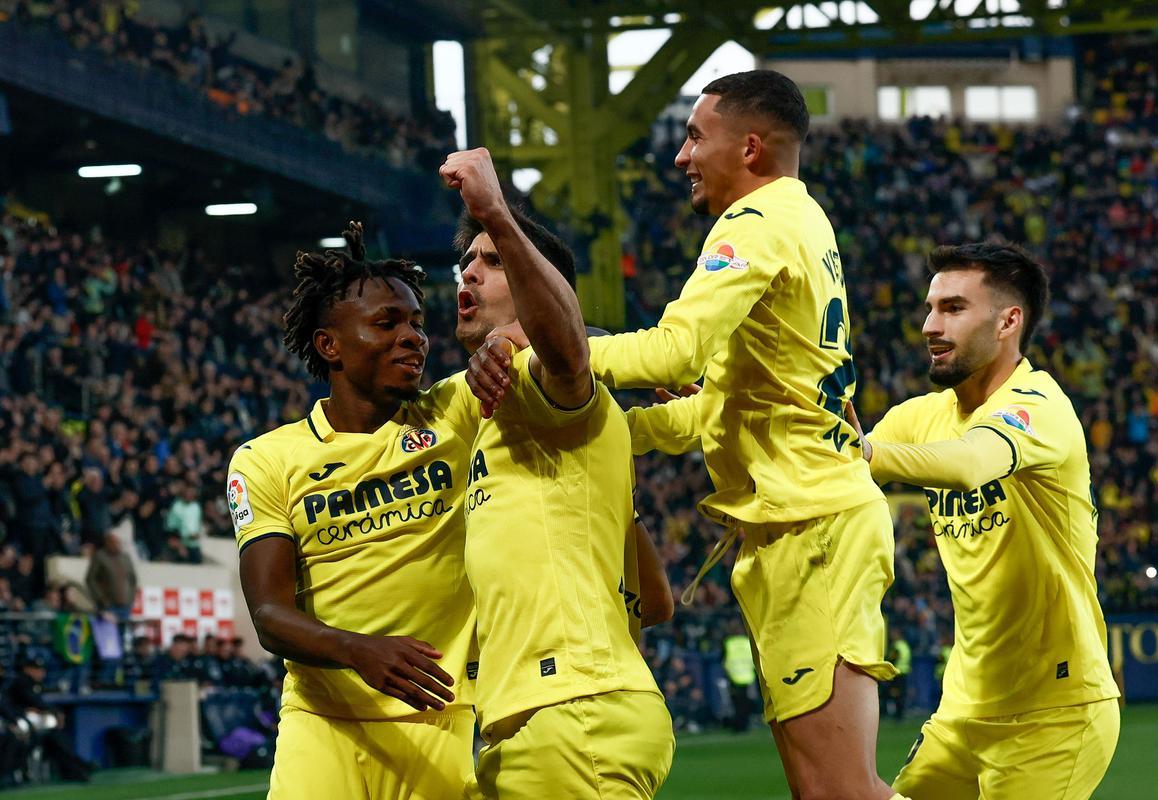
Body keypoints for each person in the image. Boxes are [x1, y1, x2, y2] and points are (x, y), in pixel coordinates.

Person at [467, 69, 900, 800]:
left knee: (843, 793)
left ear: (752, 147)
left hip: (814, 531)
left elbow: (674, 353)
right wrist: (603, 428)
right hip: (801, 530)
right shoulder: (804, 222)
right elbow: (707, 410)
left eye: (696, 136)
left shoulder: (755, 225)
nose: (681, 155)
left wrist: (546, 353)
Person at [441, 150, 675, 798]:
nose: (469, 274)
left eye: (492, 262)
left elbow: (568, 356)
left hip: (572, 712)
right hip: (537, 720)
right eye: (465, 263)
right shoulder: (480, 409)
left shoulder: (546, 381)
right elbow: (655, 602)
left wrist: (492, 210)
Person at [850, 242, 1121, 799]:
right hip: (962, 711)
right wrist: (713, 408)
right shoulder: (922, 416)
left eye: (952, 308)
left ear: (1008, 321)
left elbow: (973, 462)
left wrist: (868, 455)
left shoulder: (1038, 407)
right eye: (929, 308)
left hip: (1053, 713)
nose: (930, 324)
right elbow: (832, 459)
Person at [227, 222, 481, 799]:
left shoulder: (456, 414)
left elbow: (561, 344)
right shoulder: (265, 459)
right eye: (387, 323)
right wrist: (357, 649)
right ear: (330, 345)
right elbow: (268, 612)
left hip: (437, 717)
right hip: (322, 725)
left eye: (417, 323)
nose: (413, 337)